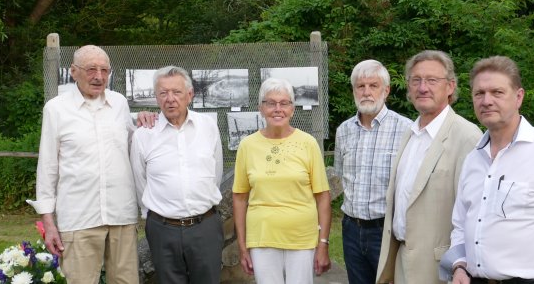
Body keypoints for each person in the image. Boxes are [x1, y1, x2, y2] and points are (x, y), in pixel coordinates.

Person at [441, 56, 534, 284]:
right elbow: (460, 224)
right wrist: (459, 266)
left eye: (497, 92)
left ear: (519, 97)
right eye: (479, 93)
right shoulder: (473, 158)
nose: (486, 101)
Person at [27, 45, 139, 283]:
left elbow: (138, 145)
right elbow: (47, 167)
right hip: (79, 217)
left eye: (104, 70)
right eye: (91, 69)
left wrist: (146, 119)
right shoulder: (56, 109)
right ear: (73, 72)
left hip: (122, 215)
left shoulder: (120, 104)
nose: (98, 76)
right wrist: (48, 221)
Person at [376, 50, 482, 284]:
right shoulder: (410, 134)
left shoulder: (466, 137)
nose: (423, 87)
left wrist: (461, 266)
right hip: (402, 262)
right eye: (416, 80)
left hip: (442, 269)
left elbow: (473, 214)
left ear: (451, 86)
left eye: (432, 80)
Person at [130, 65, 224, 284]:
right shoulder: (144, 135)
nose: (170, 99)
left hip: (205, 227)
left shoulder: (208, 126)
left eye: (177, 92)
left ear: (189, 95)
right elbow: (140, 182)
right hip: (163, 230)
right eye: (163, 93)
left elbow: (215, 173)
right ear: (156, 96)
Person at [232, 77, 332, 284]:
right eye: (271, 103)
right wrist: (242, 247)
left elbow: (322, 197)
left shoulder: (308, 143)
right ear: (261, 108)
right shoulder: (247, 146)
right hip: (262, 236)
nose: (278, 109)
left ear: (292, 109)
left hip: (302, 237)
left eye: (284, 103)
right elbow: (240, 199)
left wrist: (323, 243)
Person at [334, 59, 411, 284]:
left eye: (373, 85)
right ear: (353, 90)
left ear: (386, 90)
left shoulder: (406, 129)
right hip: (351, 230)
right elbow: (341, 176)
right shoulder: (344, 131)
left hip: (386, 230)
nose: (366, 92)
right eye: (360, 86)